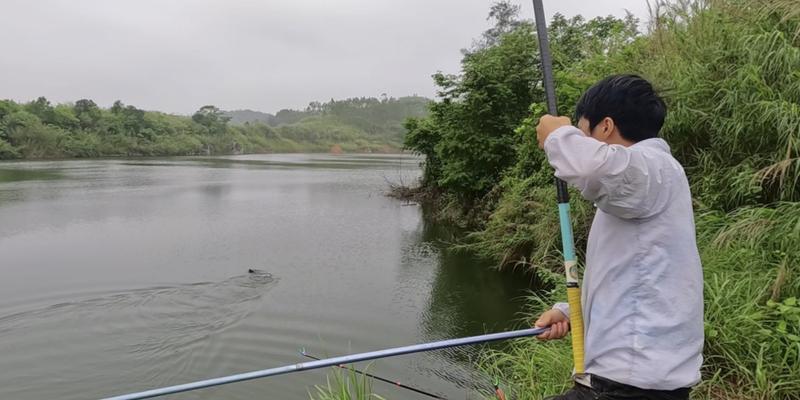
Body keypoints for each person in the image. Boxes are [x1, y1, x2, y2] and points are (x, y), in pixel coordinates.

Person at [533, 74, 704, 400]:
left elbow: (592, 168)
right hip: (623, 381)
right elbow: (628, 277)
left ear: (606, 127)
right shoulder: (643, 184)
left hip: (632, 386)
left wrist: (557, 135)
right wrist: (570, 312)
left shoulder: (653, 168)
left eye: (584, 132)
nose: (581, 141)